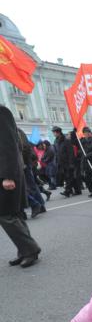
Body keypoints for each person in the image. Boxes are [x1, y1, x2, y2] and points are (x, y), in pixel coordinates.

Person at [0, 104, 41, 268]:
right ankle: (25, 251)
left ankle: (30, 249)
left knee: (6, 215)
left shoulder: (1, 112)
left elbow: (10, 145)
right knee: (15, 214)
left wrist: (8, 176)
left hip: (6, 173)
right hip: (5, 172)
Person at [52, 126, 74, 197]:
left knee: (68, 177)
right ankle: (72, 190)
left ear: (58, 132)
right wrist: (56, 161)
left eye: (54, 132)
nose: (53, 134)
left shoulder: (66, 140)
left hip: (67, 162)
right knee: (66, 177)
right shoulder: (55, 141)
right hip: (60, 162)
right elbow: (55, 152)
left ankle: (67, 191)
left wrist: (71, 163)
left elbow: (70, 152)